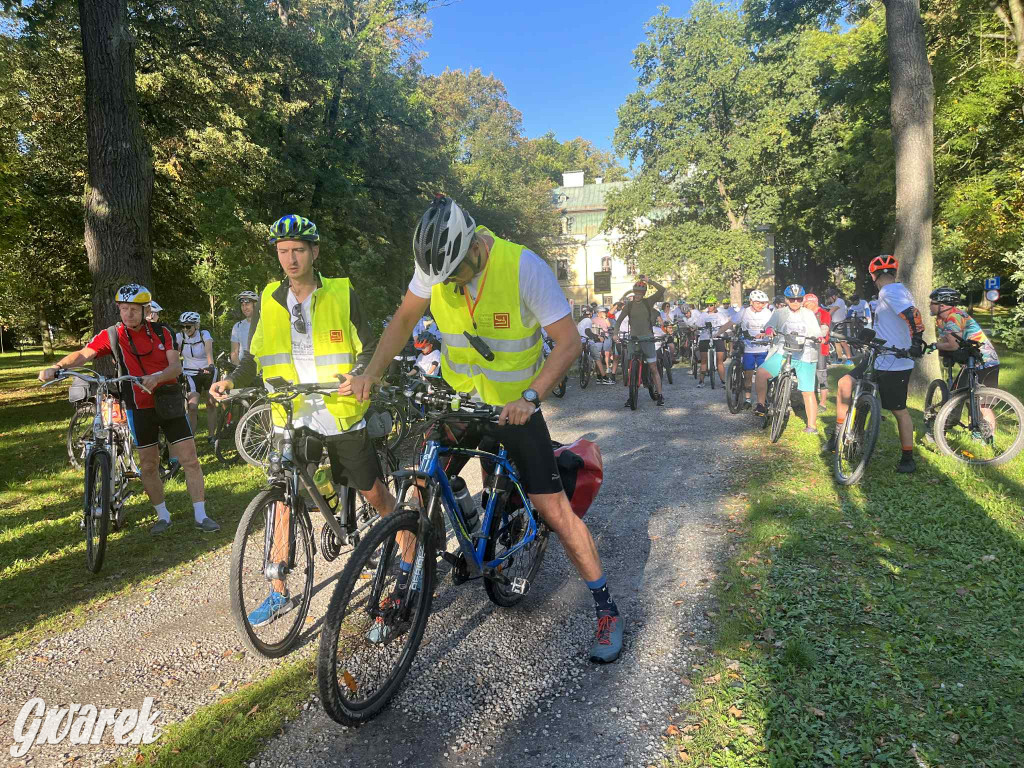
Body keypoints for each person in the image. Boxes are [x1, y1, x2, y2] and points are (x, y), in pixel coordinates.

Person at [345, 196, 626, 663]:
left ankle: (605, 607)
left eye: (455, 272)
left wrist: (531, 397)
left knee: (554, 511)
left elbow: (569, 342)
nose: (448, 284)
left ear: (475, 245)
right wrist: (371, 372)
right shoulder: (435, 266)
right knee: (420, 484)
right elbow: (403, 319)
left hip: (516, 406)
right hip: (461, 399)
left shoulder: (524, 268)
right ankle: (404, 590)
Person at [212, 213, 394, 627]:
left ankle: (405, 548)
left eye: (298, 250)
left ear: (314, 252)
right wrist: (229, 379)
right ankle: (277, 590)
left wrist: (362, 375)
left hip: (339, 410)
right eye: (283, 252)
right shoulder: (270, 299)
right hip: (289, 412)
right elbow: (257, 355)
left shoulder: (343, 293)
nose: (290, 259)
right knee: (283, 497)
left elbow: (369, 345)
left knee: (373, 493)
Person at [38, 284, 217, 534]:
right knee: (148, 465)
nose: (128, 314)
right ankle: (163, 516)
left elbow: (175, 367)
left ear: (145, 310)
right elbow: (83, 355)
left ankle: (201, 515)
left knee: (190, 459)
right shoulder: (112, 335)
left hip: (168, 401)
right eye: (124, 309)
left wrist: (157, 377)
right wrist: (56, 366)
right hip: (137, 407)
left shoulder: (161, 332)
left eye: (134, 309)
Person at [827, 256, 925, 472]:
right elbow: (891, 322)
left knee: (899, 410)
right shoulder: (891, 293)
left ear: (873, 275)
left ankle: (908, 457)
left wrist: (917, 342)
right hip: (878, 356)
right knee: (845, 382)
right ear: (894, 273)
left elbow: (913, 315)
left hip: (895, 361)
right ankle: (838, 434)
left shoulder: (891, 291)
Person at [753, 284, 828, 433]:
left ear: (802, 300)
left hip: (804, 354)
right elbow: (770, 326)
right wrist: (769, 330)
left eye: (798, 299)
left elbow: (816, 331)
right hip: (783, 351)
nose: (795, 302)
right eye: (792, 299)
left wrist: (820, 337)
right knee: (761, 373)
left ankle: (812, 426)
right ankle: (761, 404)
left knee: (808, 391)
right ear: (786, 299)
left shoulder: (808, 314)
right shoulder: (779, 312)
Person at [930, 287, 1000, 419]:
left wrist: (934, 346)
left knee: (983, 405)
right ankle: (973, 432)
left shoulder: (953, 318)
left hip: (985, 361)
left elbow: (952, 345)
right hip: (971, 360)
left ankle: (989, 437)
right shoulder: (943, 318)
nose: (930, 305)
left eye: (932, 303)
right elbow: (948, 339)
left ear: (942, 305)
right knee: (964, 397)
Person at [615, 277, 667, 405]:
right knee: (630, 367)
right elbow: (619, 320)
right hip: (633, 339)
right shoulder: (629, 306)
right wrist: (615, 334)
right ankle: (631, 395)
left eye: (640, 294)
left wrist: (649, 280)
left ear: (643, 294)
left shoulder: (648, 302)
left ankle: (660, 395)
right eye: (636, 293)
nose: (637, 295)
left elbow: (662, 289)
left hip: (647, 339)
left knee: (653, 367)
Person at [720, 289, 773, 407]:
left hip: (763, 348)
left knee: (762, 376)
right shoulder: (743, 312)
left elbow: (773, 327)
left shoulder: (767, 313)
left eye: (763, 303)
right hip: (749, 349)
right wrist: (717, 333)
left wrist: (767, 334)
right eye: (758, 302)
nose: (761, 305)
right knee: (748, 374)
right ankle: (748, 399)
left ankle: (762, 400)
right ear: (751, 302)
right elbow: (730, 323)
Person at [176, 312, 217, 441]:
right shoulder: (180, 337)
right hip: (190, 373)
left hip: (207, 371)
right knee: (192, 407)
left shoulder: (204, 334)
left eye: (188, 326)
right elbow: (175, 355)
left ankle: (211, 435)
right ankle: (190, 438)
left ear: (196, 325)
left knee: (211, 403)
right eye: (182, 326)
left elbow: (208, 351)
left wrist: (210, 365)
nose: (185, 329)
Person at [802, 294, 832, 412]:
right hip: (806, 347)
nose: (805, 306)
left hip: (820, 348)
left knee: (821, 375)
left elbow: (824, 331)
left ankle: (823, 403)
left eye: (807, 304)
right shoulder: (803, 314)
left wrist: (816, 335)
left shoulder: (823, 313)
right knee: (806, 374)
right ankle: (808, 400)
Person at [695, 296, 726, 388]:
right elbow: (698, 325)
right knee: (703, 360)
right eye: (707, 305)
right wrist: (697, 328)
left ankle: (723, 381)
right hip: (705, 338)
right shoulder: (703, 315)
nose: (709, 307)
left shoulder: (720, 315)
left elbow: (725, 325)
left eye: (711, 305)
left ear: (715, 305)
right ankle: (701, 381)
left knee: (719, 361)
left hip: (717, 338)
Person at [576, 307, 609, 383]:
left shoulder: (580, 320)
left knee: (584, 358)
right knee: (598, 357)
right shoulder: (588, 320)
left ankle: (588, 372)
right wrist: (597, 337)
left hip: (580, 341)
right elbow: (587, 332)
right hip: (587, 341)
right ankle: (604, 377)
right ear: (591, 313)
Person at [230, 291, 259, 365]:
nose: (244, 308)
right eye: (242, 305)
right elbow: (234, 353)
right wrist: (238, 370)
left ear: (255, 305)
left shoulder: (264, 324)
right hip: (244, 369)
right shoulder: (238, 326)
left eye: (247, 304)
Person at [825, 288, 852, 364]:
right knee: (836, 342)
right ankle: (839, 359)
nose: (829, 299)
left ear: (833, 296)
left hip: (841, 324)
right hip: (834, 323)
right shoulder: (834, 303)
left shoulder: (840, 301)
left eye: (830, 298)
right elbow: (829, 307)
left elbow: (831, 312)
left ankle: (850, 359)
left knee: (843, 342)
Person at [593, 306, 615, 383]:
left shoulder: (606, 319)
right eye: (602, 312)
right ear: (598, 313)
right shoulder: (594, 319)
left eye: (604, 312)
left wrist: (605, 318)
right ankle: (598, 376)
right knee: (598, 356)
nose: (604, 313)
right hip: (598, 338)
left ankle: (607, 367)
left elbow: (609, 326)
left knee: (607, 353)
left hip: (606, 336)